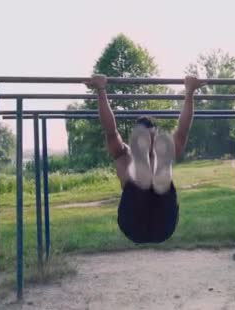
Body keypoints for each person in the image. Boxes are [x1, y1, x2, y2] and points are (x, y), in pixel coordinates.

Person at [84, 75, 203, 244]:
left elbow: (182, 131)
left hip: (163, 225)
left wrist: (190, 91)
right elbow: (111, 131)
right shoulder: (124, 154)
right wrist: (101, 90)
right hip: (134, 224)